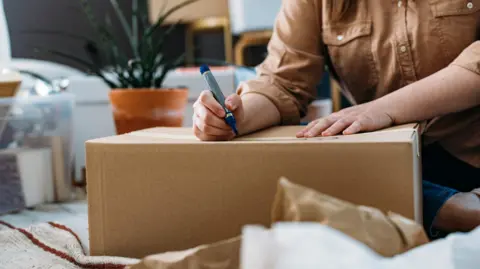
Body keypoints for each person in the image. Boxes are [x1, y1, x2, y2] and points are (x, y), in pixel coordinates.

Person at [192, 0, 480, 238]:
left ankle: (427, 206)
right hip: (389, 162)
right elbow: (282, 82)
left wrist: (384, 109)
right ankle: (450, 208)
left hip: (469, 153)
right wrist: (236, 116)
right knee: (292, 162)